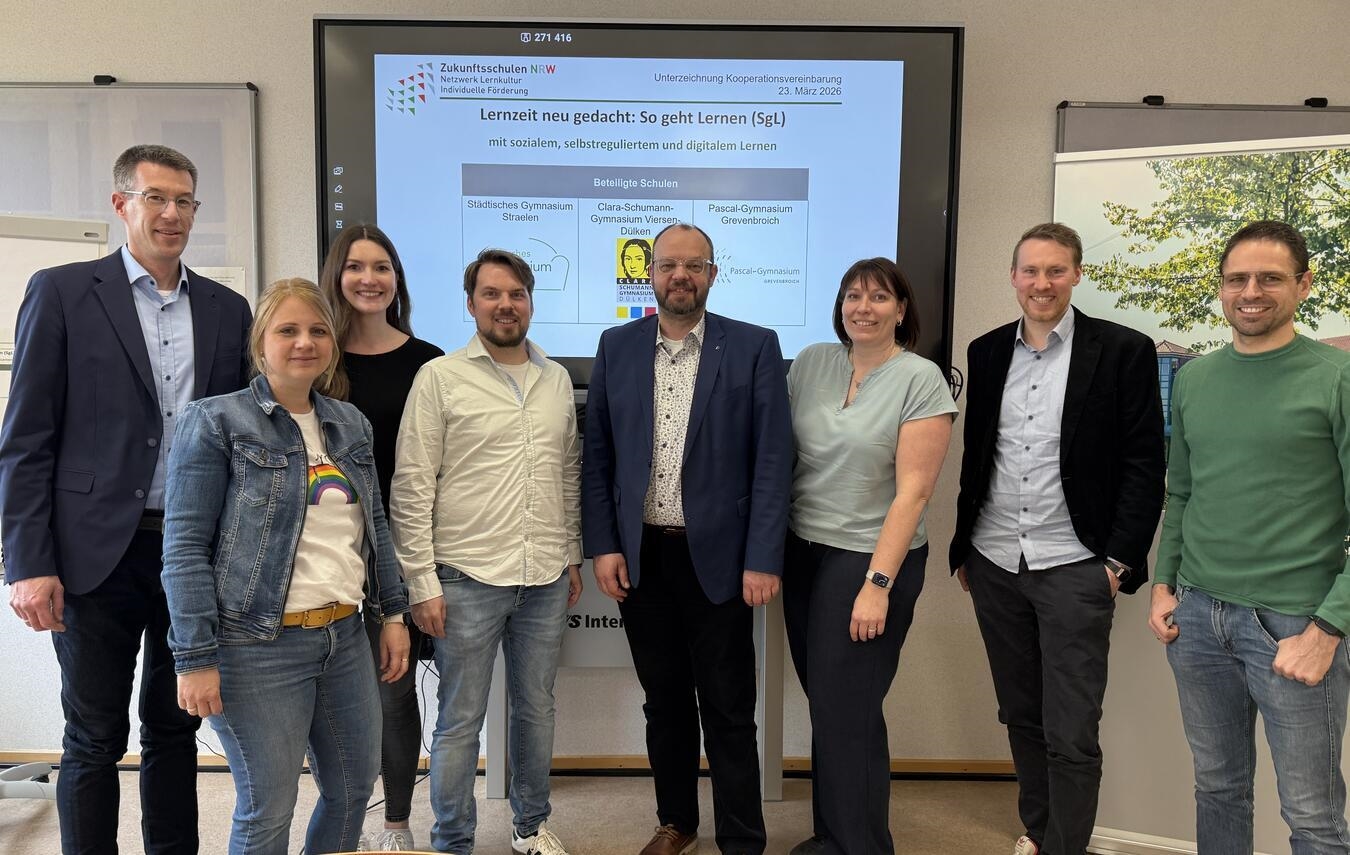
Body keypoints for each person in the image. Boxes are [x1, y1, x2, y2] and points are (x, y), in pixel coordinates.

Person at [0, 143, 252, 853]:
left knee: (176, 727)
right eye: (156, 198)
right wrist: (27, 561)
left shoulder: (227, 309)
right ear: (122, 205)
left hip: (191, 553)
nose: (171, 214)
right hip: (91, 554)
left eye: (184, 201)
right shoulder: (62, 291)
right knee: (93, 735)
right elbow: (25, 440)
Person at [162, 278, 411, 854]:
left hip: (345, 636)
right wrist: (194, 658)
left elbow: (374, 527)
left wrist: (393, 613)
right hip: (255, 647)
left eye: (318, 330)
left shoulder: (349, 423)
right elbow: (183, 549)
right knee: (267, 807)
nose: (305, 342)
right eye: (288, 330)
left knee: (352, 792)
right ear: (260, 342)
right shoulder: (218, 421)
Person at [950, 222, 1165, 855]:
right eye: (1030, 271)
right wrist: (966, 548)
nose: (1041, 283)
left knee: (1071, 728)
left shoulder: (1122, 350)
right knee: (1020, 715)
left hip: (1076, 564)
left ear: (1075, 274)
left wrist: (1118, 558)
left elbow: (1144, 463)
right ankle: (1040, 834)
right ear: (1013, 276)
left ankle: (1067, 846)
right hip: (994, 562)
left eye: (1055, 271)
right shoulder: (986, 351)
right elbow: (978, 455)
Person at [582, 222, 793, 855]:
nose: (681, 275)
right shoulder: (617, 346)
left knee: (729, 708)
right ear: (650, 272)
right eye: (670, 264)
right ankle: (676, 822)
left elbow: (772, 461)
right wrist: (605, 544)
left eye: (694, 265)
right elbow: (599, 455)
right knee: (664, 704)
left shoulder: (753, 346)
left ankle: (742, 839)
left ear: (712, 274)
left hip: (722, 561)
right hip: (644, 558)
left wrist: (761, 557)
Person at [1149, 220, 1350, 854]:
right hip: (1199, 620)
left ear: (1304, 285)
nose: (1251, 291)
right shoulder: (1197, 379)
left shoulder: (1335, 377)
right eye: (1237, 278)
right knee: (1218, 789)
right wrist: (1162, 584)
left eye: (1269, 278)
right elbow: (1181, 492)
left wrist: (1329, 629)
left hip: (1296, 624)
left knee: (1313, 816)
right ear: (1221, 288)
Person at [390, 248, 582, 855]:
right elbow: (412, 484)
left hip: (545, 573)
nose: (506, 304)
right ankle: (453, 841)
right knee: (459, 722)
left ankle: (530, 827)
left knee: (536, 710)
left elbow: (568, 471)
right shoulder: (440, 378)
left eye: (517, 293)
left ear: (531, 301)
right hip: (465, 576)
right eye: (492, 294)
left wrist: (571, 553)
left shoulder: (554, 380)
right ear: (471, 303)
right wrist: (421, 581)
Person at [782, 258, 956, 855]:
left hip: (870, 560)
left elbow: (915, 491)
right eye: (853, 295)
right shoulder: (811, 363)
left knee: (844, 708)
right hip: (805, 554)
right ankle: (838, 835)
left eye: (879, 297)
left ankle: (859, 846)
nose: (864, 306)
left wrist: (877, 583)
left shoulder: (921, 378)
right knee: (836, 708)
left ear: (901, 310)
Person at [319, 223, 443, 852]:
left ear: (397, 279)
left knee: (395, 695)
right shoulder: (316, 358)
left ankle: (396, 824)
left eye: (383, 266)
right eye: (356, 266)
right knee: (335, 702)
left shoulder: (429, 362)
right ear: (336, 276)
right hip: (330, 553)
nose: (369, 278)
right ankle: (334, 820)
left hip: (408, 551)